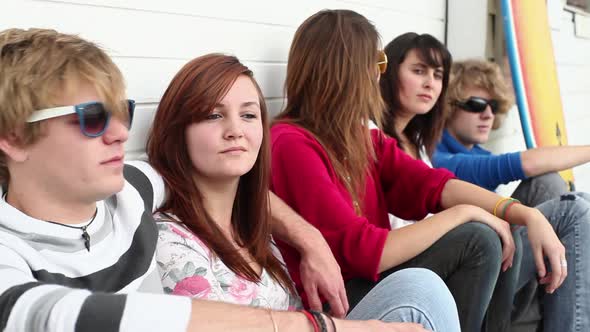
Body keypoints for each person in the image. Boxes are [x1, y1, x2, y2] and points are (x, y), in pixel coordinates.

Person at [0, 27, 422, 332]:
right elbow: (68, 315)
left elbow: (204, 179)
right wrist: (320, 327)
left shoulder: (128, 191)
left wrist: (308, 237)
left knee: (420, 289)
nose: (121, 134)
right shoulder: (8, 255)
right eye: (91, 119)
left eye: (121, 113)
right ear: (14, 138)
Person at [270, 10, 572, 332]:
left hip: (371, 280)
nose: (378, 75)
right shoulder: (291, 143)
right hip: (340, 301)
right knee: (477, 238)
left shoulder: (361, 138)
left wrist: (525, 215)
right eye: (377, 62)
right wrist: (464, 213)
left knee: (500, 231)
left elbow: (432, 185)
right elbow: (362, 250)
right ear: (345, 67)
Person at [147, 52, 461, 331]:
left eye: (248, 115)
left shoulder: (254, 229)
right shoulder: (172, 240)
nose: (235, 130)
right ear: (178, 132)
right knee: (422, 293)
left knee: (420, 287)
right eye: (214, 115)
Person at [428, 58, 590, 332]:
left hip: (495, 270)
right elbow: (522, 163)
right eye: (476, 105)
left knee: (556, 190)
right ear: (448, 105)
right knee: (571, 209)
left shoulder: (477, 154)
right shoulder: (437, 158)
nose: (488, 115)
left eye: (493, 107)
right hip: (464, 282)